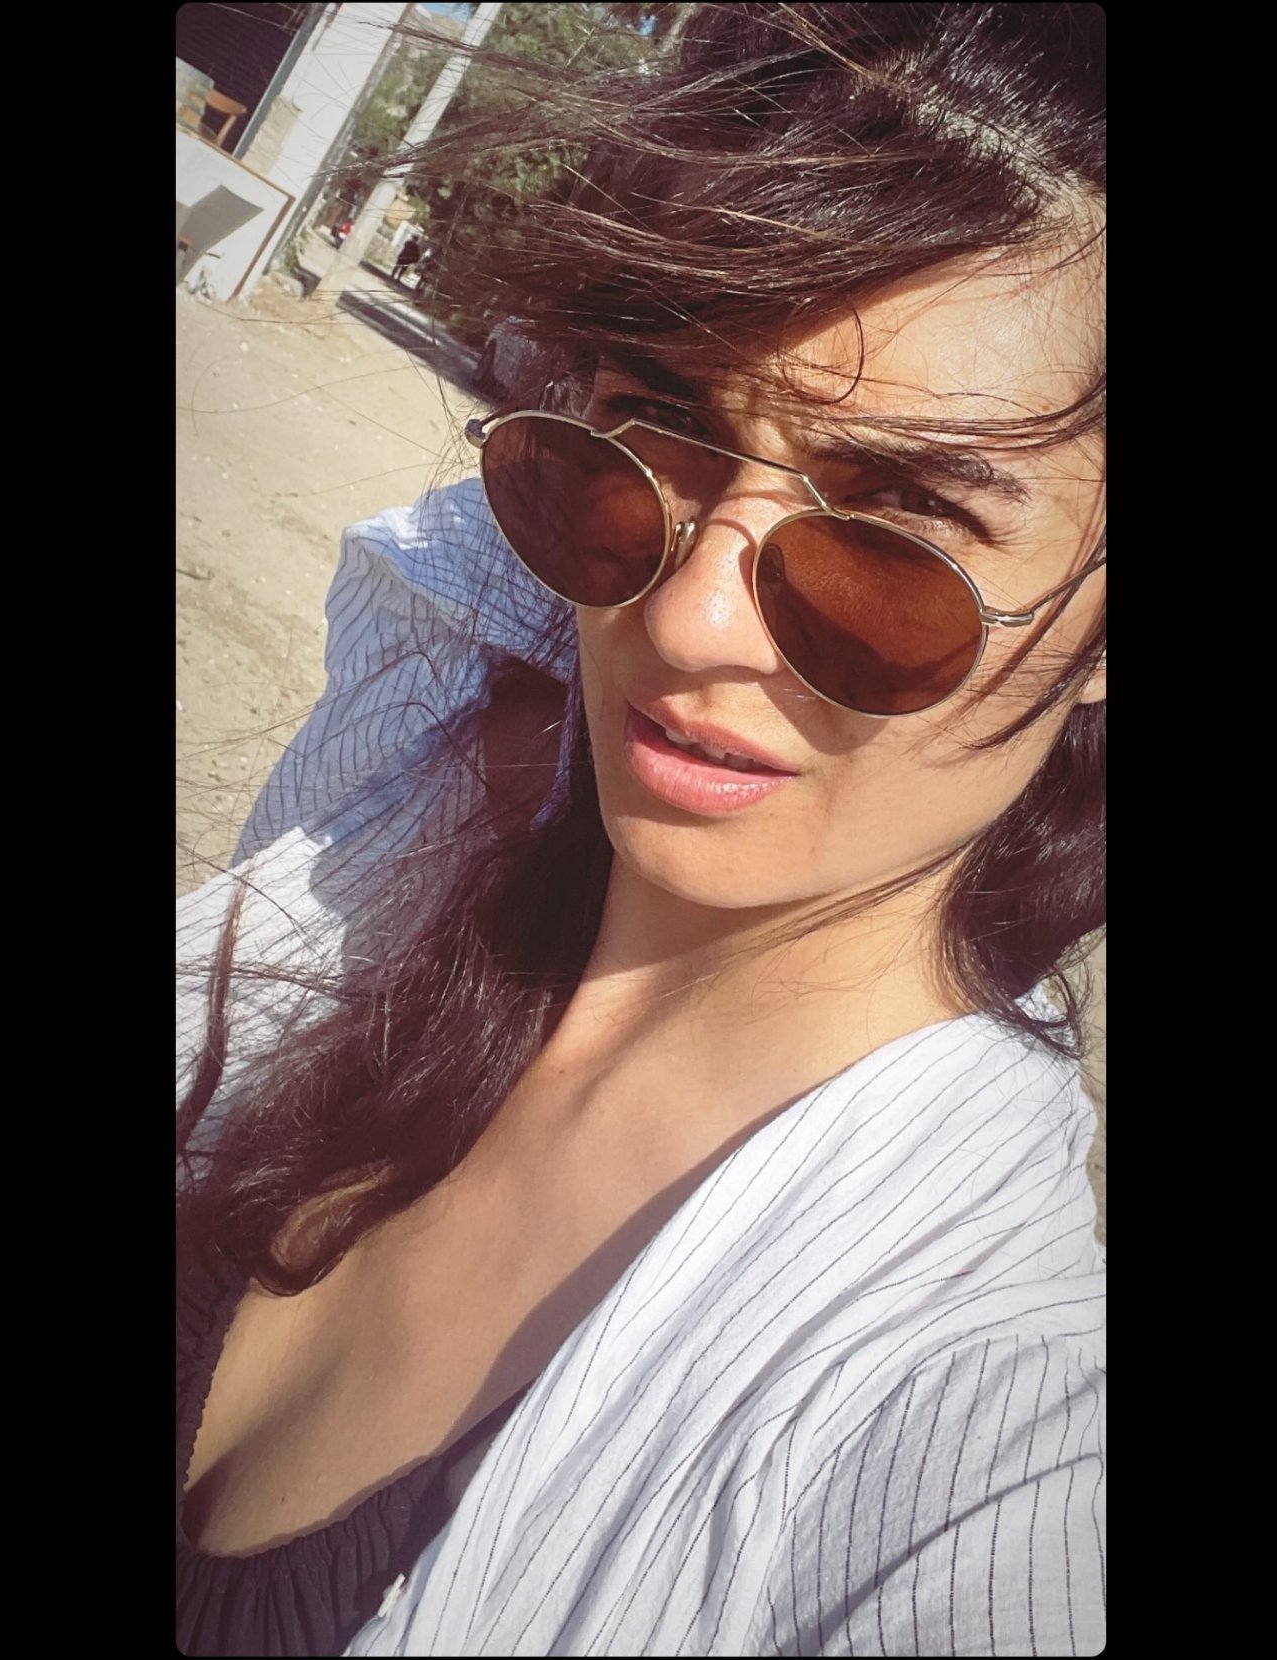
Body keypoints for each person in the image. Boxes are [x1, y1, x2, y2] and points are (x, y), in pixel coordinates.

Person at [177, 6, 1105, 1654]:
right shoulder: (420, 801)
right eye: (652, 432)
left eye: (903, 534)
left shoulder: (975, 1425)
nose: (683, 625)